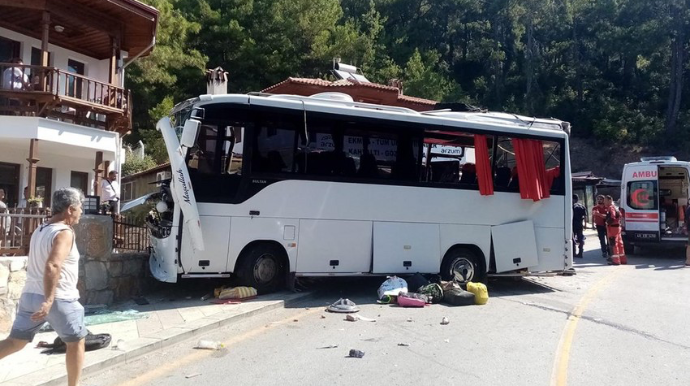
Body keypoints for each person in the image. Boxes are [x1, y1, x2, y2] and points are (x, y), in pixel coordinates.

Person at [0, 188, 86, 386]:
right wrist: (48, 300)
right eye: (79, 208)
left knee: (15, 342)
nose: (81, 212)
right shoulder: (64, 232)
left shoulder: (41, 229)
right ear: (70, 209)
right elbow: (53, 265)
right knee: (76, 342)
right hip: (58, 299)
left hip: (30, 296)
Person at [604, 195, 627, 265]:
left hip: (612, 227)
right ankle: (623, 259)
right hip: (617, 227)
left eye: (605, 200)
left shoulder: (611, 207)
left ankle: (616, 260)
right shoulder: (615, 207)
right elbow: (620, 215)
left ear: (609, 200)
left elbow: (613, 217)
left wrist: (607, 222)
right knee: (620, 244)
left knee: (613, 243)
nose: (604, 202)